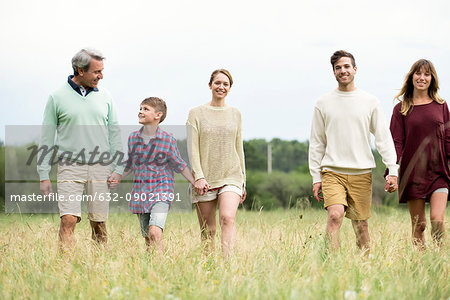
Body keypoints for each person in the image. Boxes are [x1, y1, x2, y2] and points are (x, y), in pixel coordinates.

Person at [309, 50, 399, 253]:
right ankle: (330, 265)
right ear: (333, 72)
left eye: (346, 66)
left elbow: (383, 138)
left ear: (355, 69)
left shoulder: (370, 102)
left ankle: (364, 267)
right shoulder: (323, 103)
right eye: (338, 68)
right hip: (332, 171)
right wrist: (316, 176)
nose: (343, 71)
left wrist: (392, 169)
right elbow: (316, 142)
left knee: (361, 226)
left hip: (361, 172)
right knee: (335, 215)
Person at [38, 48, 123, 251]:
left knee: (99, 222)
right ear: (80, 70)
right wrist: (43, 174)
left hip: (100, 167)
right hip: (69, 167)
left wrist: (118, 168)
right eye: (96, 72)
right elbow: (47, 137)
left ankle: (99, 267)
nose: (101, 76)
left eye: (102, 71)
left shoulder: (106, 96)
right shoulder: (56, 97)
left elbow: (115, 134)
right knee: (68, 220)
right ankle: (66, 270)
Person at [122, 97, 195, 252]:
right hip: (141, 193)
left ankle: (160, 264)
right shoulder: (133, 138)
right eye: (140, 108)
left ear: (158, 115)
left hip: (161, 191)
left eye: (145, 109)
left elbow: (179, 164)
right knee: (148, 237)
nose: (140, 111)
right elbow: (130, 164)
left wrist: (196, 182)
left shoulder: (167, 140)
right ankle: (154, 268)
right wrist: (116, 177)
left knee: (155, 231)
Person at [389, 59, 449, 248]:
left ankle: (441, 261)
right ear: (411, 76)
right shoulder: (401, 109)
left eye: (427, 74)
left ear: (432, 79)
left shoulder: (441, 105)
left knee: (437, 220)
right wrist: (391, 172)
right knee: (419, 225)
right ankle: (421, 265)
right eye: (418, 73)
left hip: (439, 172)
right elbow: (396, 143)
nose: (422, 78)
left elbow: (448, 139)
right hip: (413, 173)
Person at [186, 69, 246, 257]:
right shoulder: (196, 113)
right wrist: (199, 176)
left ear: (230, 88)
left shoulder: (235, 113)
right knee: (208, 231)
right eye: (217, 83)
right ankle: (209, 268)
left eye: (225, 84)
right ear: (210, 85)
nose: (221, 87)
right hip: (205, 179)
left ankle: (228, 266)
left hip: (231, 176)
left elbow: (239, 147)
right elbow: (192, 148)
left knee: (227, 218)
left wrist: (243, 179)